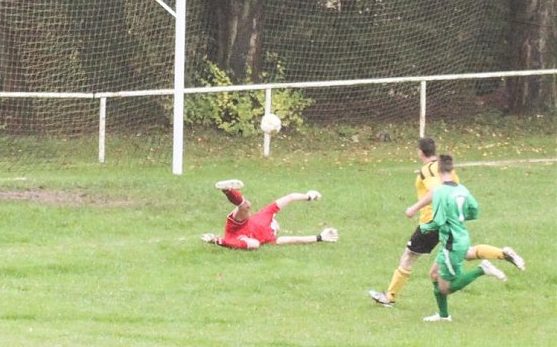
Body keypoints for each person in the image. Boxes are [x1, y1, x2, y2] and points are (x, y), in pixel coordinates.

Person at [368, 137, 524, 307]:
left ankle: (389, 297)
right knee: (462, 252)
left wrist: (414, 208)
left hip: (433, 219)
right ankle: (502, 254)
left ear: (420, 152)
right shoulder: (445, 168)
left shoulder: (427, 170)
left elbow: (436, 190)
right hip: (451, 218)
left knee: (408, 257)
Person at [421, 155, 520, 322]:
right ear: (452, 170)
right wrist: (458, 217)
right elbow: (474, 210)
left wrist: (425, 227)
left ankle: (482, 269)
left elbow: (438, 221)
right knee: (433, 274)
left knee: (445, 288)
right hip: (461, 237)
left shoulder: (439, 192)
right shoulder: (462, 189)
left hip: (452, 244)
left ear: (438, 171)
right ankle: (443, 315)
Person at [200, 179, 338, 249]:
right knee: (246, 206)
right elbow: (290, 197)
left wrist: (320, 237)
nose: (278, 227)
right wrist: (309, 196)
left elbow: (295, 239)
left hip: (242, 239)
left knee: (255, 244)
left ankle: (216, 240)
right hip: (237, 227)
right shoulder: (268, 214)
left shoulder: (272, 238)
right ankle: (227, 190)